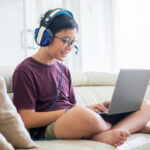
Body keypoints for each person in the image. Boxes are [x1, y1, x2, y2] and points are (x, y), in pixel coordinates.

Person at [13, 8, 150, 147]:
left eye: (72, 42)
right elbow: (26, 119)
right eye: (66, 41)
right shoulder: (25, 70)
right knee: (80, 114)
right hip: (50, 127)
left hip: (74, 118)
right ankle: (131, 126)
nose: (70, 47)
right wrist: (71, 111)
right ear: (45, 37)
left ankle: (108, 132)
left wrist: (98, 107)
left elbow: (72, 106)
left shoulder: (63, 70)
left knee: (144, 105)